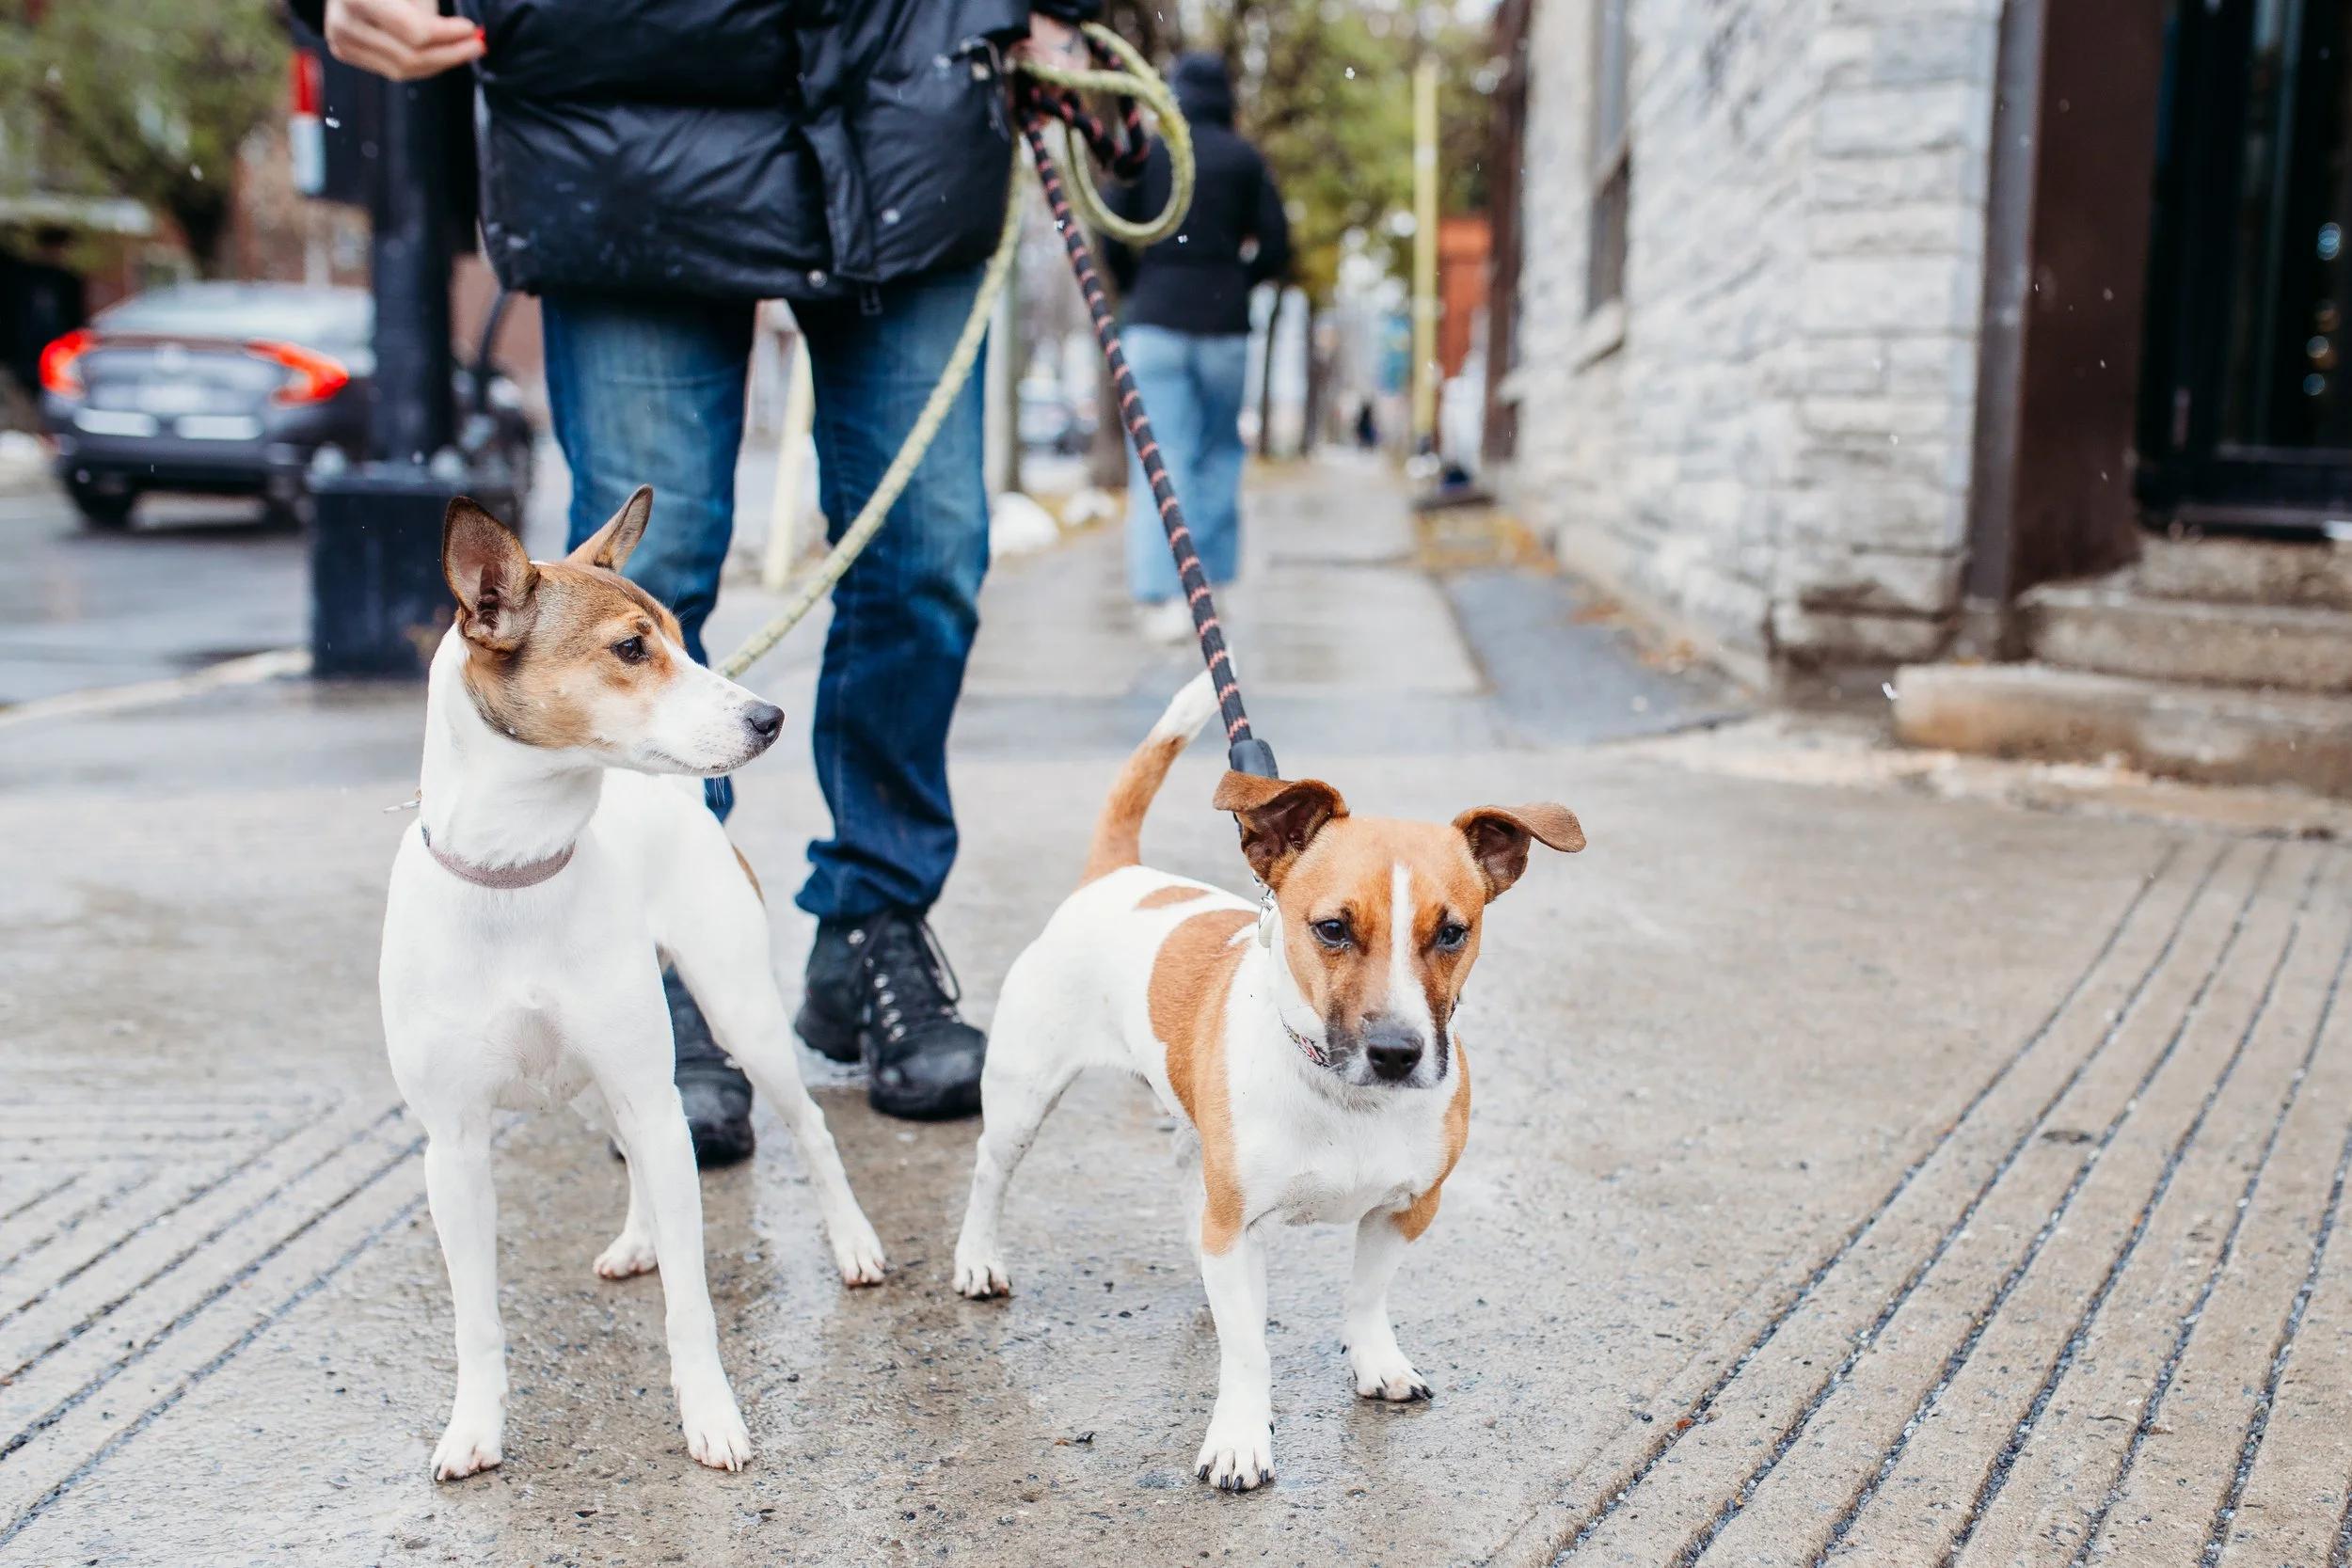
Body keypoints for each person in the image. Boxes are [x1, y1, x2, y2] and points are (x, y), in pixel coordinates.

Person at [313, 0, 1098, 1151]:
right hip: (612, 108)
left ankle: (875, 922)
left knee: (925, 557)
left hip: (904, 98)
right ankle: (654, 952)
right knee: (643, 572)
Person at [1101, 53, 1289, 644]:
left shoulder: (1151, 155)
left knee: (1161, 461)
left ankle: (1162, 600)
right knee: (1216, 455)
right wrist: (1237, 281)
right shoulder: (1244, 159)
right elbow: (1281, 247)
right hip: (1224, 329)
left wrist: (1140, 285)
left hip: (1154, 323)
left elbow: (1111, 231)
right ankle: (1214, 588)